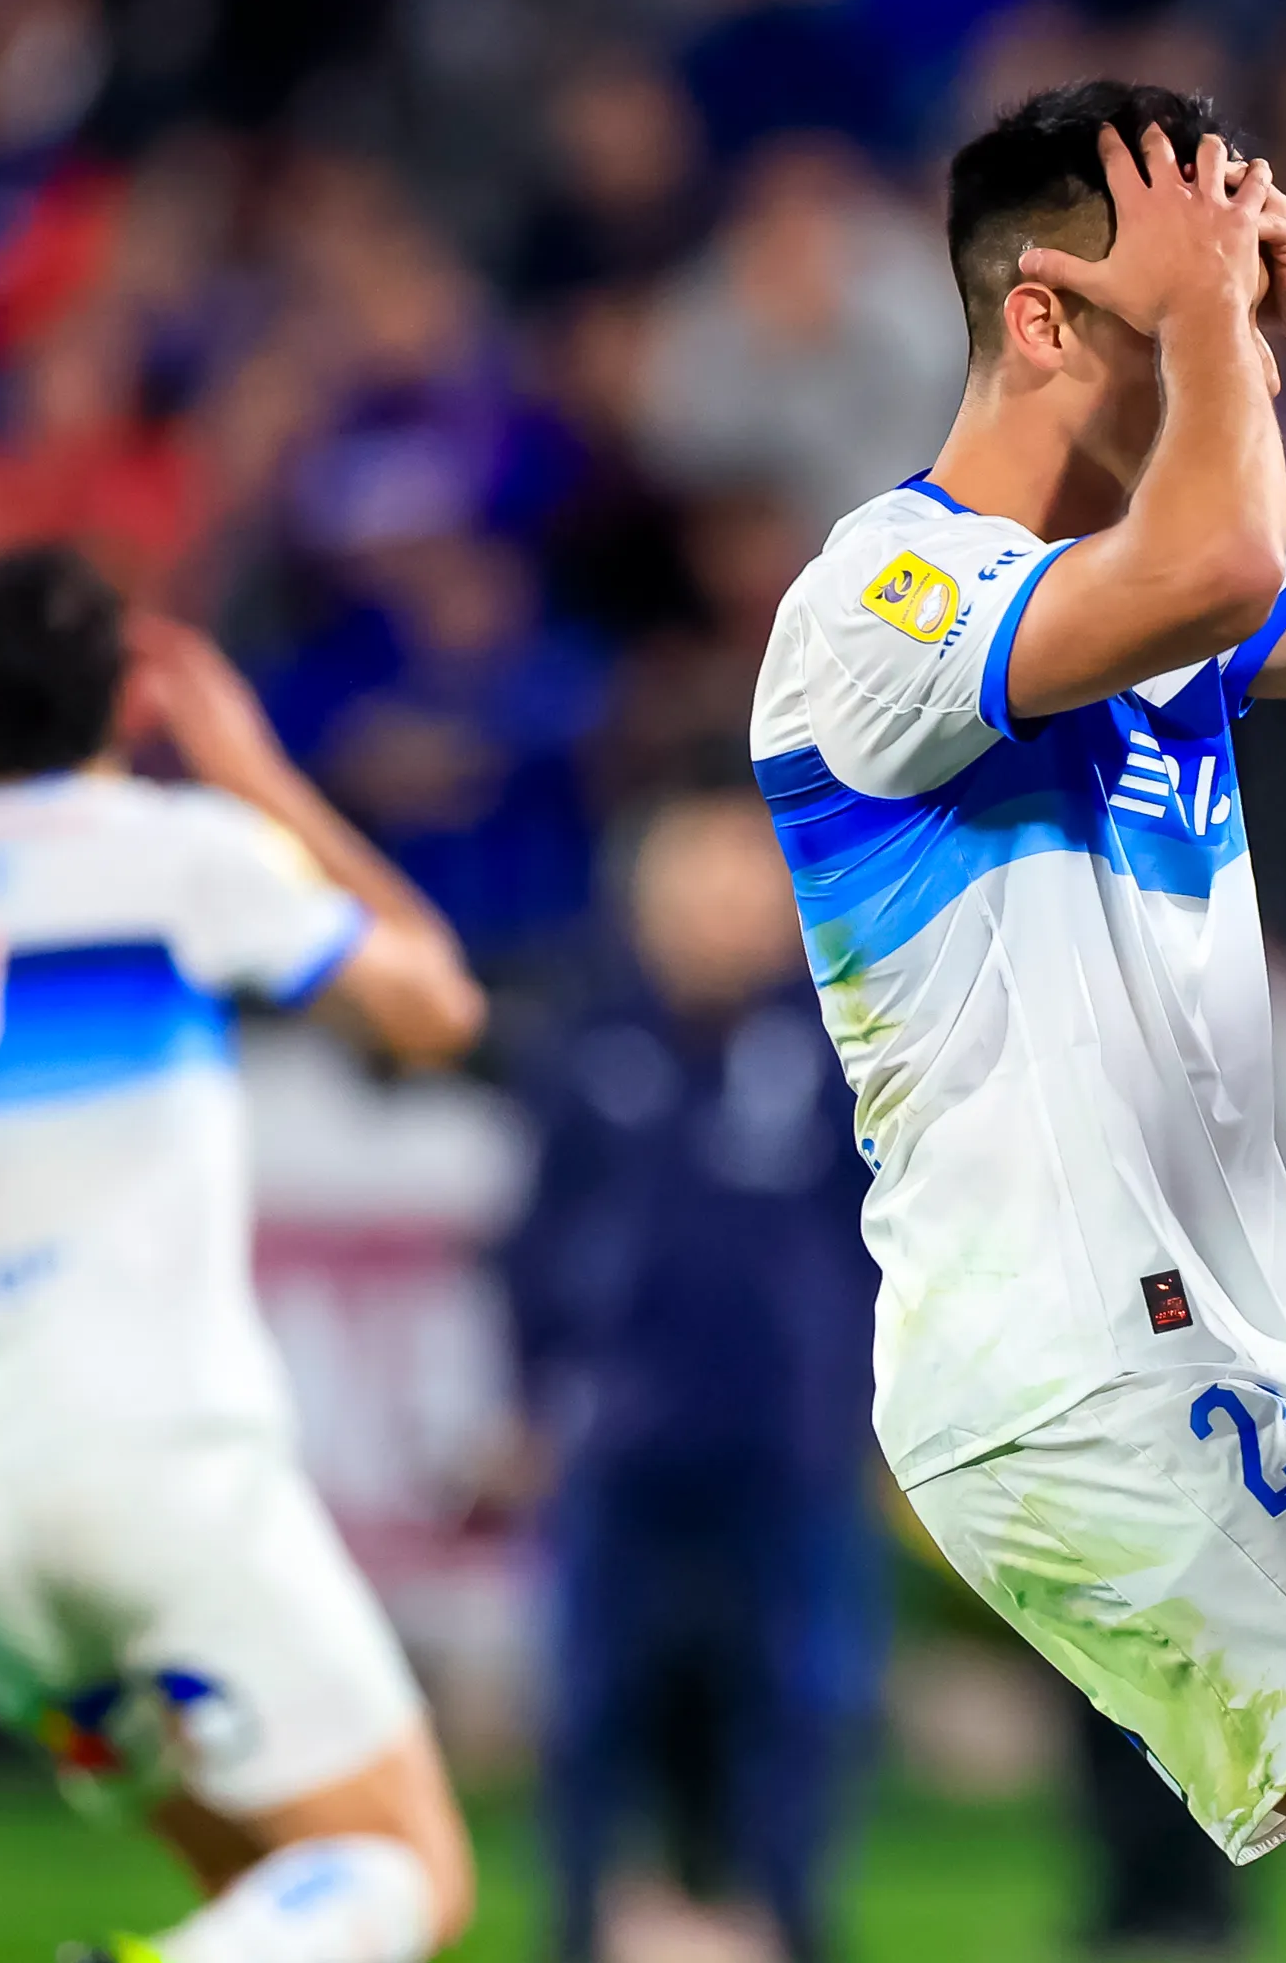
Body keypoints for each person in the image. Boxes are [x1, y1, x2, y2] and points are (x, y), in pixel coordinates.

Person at [749, 82, 1286, 1963]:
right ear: (1049, 317)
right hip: (1063, 1350)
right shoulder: (877, 601)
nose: (1238, 358)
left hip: (1174, 1344)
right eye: (1187, 308)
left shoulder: (1148, 614)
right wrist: (1228, 328)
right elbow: (1215, 562)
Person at [0, 544, 487, 1963]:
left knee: (269, 1885)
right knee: (397, 1867)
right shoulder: (180, 857)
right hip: (148, 1466)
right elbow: (435, 1011)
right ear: (129, 696)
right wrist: (255, 775)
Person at [496, 792, 881, 1963]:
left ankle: (796, 1924)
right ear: (645, 907)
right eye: (692, 892)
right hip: (622, 1442)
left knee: (803, 1702)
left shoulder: (839, 1051)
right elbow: (533, 1240)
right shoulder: (590, 1047)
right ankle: (575, 1927)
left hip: (792, 1438)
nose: (716, 918)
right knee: (590, 1706)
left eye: (739, 893)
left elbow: (878, 1242)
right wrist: (530, 1399)